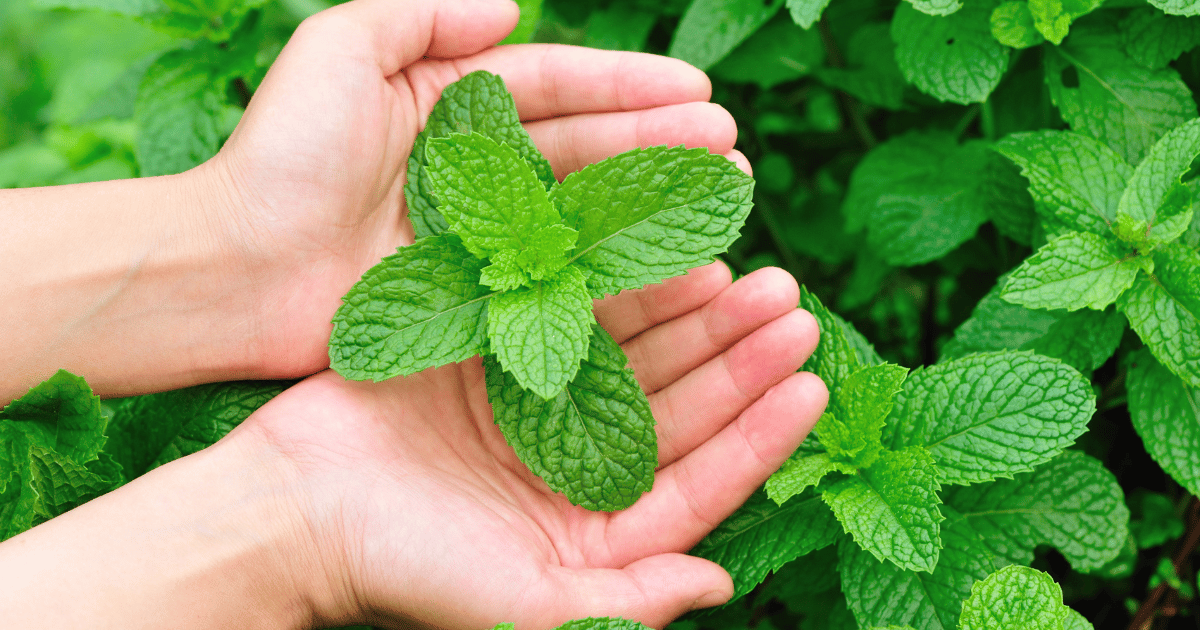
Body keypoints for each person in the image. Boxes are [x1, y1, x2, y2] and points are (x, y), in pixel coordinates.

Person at [0, 0, 828, 627]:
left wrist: (235, 241)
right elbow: (410, 333)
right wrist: (299, 532)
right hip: (509, 275)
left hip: (528, 275)